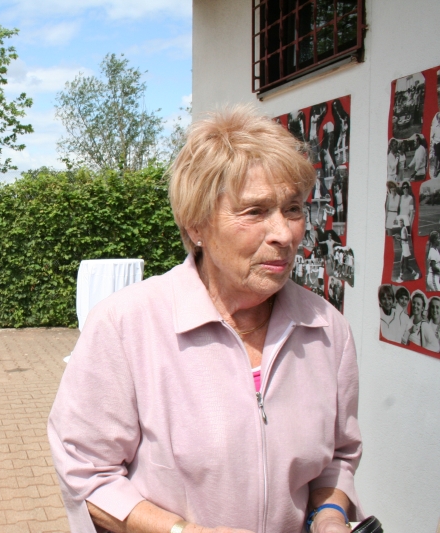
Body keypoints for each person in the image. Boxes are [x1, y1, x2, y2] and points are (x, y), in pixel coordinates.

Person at [48, 106, 364, 533]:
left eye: (292, 209)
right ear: (196, 225)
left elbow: (338, 458)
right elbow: (87, 477)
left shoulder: (327, 329)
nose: (285, 234)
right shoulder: (126, 326)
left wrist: (329, 516)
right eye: (255, 212)